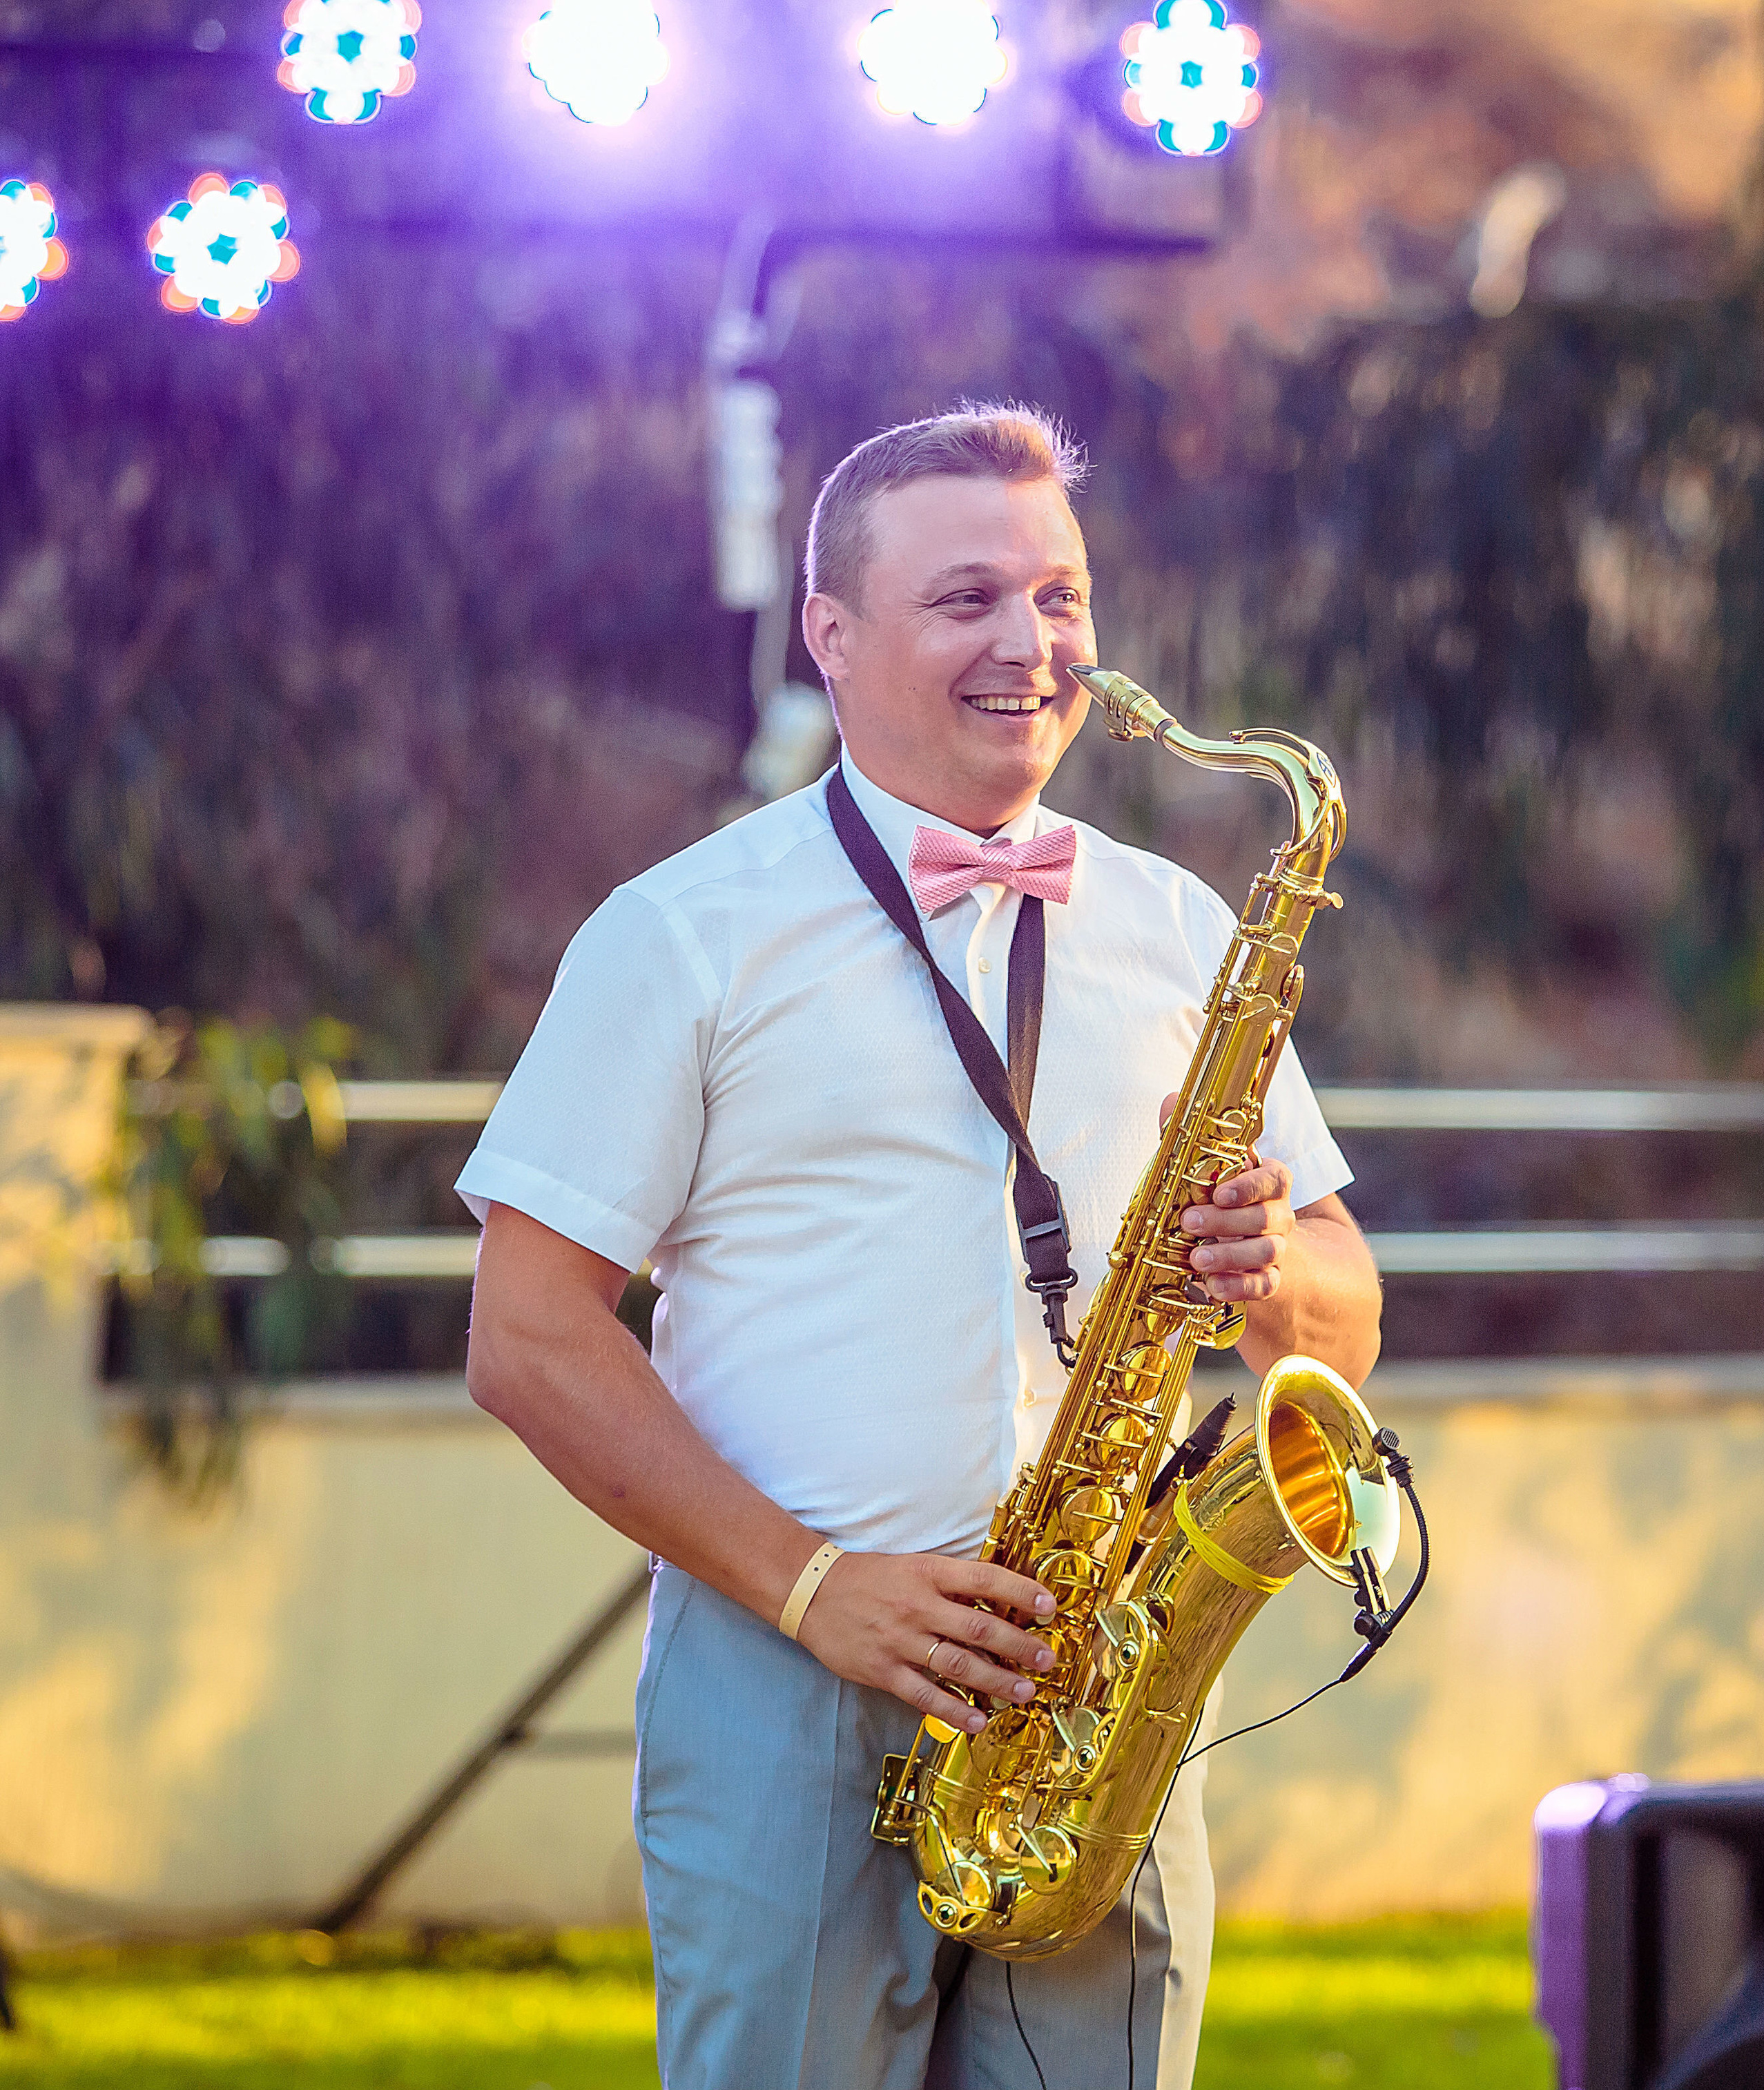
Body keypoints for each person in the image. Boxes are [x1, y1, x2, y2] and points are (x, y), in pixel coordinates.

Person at [458, 405, 1383, 2090]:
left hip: (1092, 1687)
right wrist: (818, 1590)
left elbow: (1338, 1301)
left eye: (1058, 595)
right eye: (965, 597)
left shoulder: (1179, 925)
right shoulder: (681, 933)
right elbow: (524, 1335)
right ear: (832, 633)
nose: (1030, 645)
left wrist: (1275, 1277)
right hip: (787, 1672)